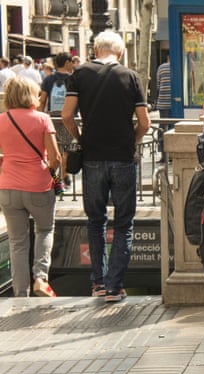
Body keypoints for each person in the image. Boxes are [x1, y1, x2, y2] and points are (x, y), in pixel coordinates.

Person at [61, 30, 150, 303]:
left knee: (95, 221)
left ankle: (98, 283)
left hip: (92, 157)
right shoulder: (131, 76)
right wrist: (132, 139)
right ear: (120, 53)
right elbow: (144, 123)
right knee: (124, 222)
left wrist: (80, 137)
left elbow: (66, 115)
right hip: (123, 157)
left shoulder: (80, 74)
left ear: (95, 50)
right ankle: (115, 287)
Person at [0, 77, 60, 298]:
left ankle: (20, 292)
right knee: (44, 230)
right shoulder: (43, 119)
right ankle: (41, 279)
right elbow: (54, 158)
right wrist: (55, 175)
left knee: (17, 242)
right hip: (38, 185)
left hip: (7, 188)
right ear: (31, 95)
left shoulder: (1, 120)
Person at [39, 53, 74, 184]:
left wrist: (40, 117)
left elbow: (42, 100)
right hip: (68, 117)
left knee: (54, 152)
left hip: (52, 118)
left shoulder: (48, 79)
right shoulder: (73, 79)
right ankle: (65, 176)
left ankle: (55, 181)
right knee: (67, 150)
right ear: (66, 62)